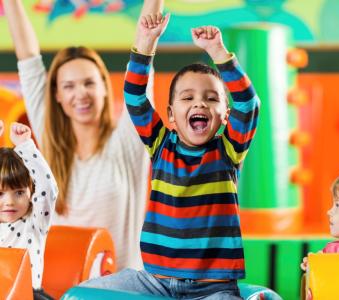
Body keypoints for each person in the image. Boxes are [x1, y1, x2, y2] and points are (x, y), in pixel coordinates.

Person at [81, 10, 282, 300]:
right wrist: (146, 43)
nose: (199, 102)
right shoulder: (160, 143)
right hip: (155, 281)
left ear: (225, 115)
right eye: (188, 97)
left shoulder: (228, 150)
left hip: (213, 287)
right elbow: (135, 94)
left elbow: (248, 102)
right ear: (172, 115)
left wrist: (218, 51)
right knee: (83, 293)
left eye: (211, 98)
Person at [3, 0, 163, 270]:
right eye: (69, 86)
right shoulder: (51, 142)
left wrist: (150, 28)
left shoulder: (127, 140)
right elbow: (28, 58)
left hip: (122, 291)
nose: (81, 94)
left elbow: (142, 65)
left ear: (104, 86)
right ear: (57, 96)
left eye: (89, 82)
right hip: (62, 291)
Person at [0, 120, 58, 300]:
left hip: (28, 295)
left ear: (30, 192)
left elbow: (47, 188)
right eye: (0, 194)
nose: (9, 202)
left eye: (18, 192)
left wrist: (25, 146)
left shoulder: (35, 221)